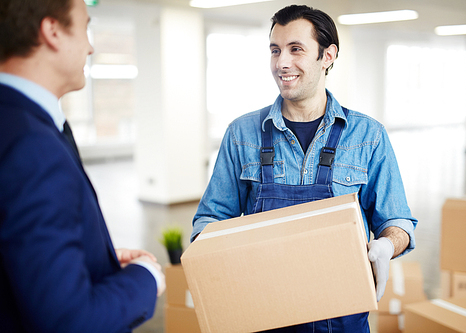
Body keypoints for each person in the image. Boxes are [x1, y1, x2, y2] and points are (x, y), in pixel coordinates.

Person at [192, 4, 417, 332]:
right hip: (262, 314)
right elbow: (210, 219)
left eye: (296, 49)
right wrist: (210, 258)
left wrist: (387, 244)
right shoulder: (242, 135)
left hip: (342, 319)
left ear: (327, 56)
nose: (282, 62)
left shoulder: (368, 137)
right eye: (275, 50)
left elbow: (397, 221)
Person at [0, 0, 165, 332]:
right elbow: (70, 322)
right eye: (85, 27)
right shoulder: (33, 148)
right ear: (53, 32)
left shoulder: (18, 124)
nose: (90, 48)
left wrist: (92, 260)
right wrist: (146, 278)